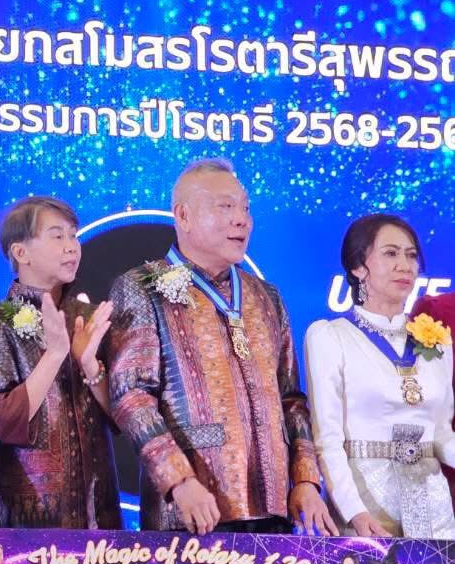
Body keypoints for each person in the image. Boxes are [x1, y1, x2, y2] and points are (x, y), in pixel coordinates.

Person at [107, 158, 331, 534]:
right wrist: (179, 480)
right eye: (226, 207)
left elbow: (291, 399)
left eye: (245, 208)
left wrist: (306, 480)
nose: (241, 220)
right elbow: (132, 396)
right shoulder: (142, 286)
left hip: (274, 510)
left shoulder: (267, 296)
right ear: (183, 215)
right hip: (191, 511)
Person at [305, 213, 455, 538]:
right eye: (390, 253)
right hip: (366, 506)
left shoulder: (437, 341)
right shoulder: (331, 336)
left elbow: (442, 435)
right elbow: (327, 440)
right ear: (358, 266)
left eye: (411, 255)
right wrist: (354, 512)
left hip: (435, 510)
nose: (405, 265)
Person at [0, 196, 118, 528]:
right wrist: (54, 356)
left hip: (98, 512)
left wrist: (90, 366)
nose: (71, 246)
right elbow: (0, 420)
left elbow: (124, 414)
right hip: (28, 517)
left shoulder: (88, 318)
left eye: (73, 235)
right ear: (20, 252)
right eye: (57, 236)